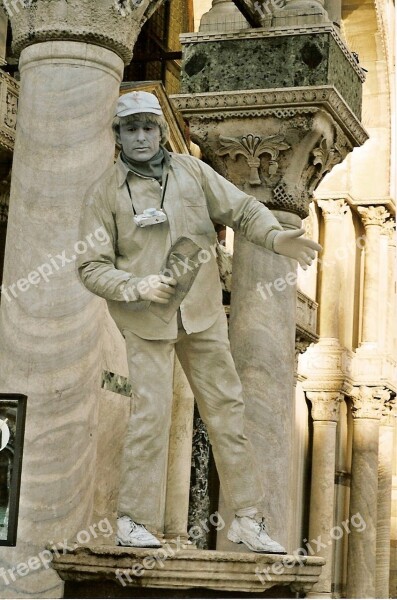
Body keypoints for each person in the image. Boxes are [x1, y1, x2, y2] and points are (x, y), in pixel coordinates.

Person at [77, 91, 321, 553]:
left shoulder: (192, 172)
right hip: (144, 317)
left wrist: (274, 236)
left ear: (162, 131)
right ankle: (133, 520)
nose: (142, 136)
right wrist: (136, 285)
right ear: (118, 136)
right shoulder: (103, 194)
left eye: (149, 126)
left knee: (227, 410)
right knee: (149, 414)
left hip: (202, 311)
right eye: (131, 129)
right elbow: (90, 267)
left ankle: (247, 518)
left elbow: (243, 209)